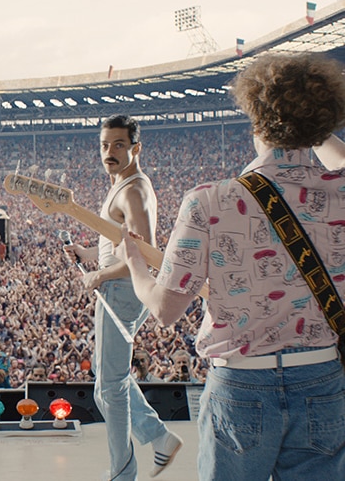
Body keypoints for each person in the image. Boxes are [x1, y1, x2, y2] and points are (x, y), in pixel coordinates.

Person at [118, 53, 345, 480]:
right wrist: (315, 129)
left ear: (256, 121)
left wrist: (135, 265)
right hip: (322, 379)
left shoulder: (209, 200)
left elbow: (165, 311)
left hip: (242, 384)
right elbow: (336, 158)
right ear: (320, 124)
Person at [63, 114, 181, 480]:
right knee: (106, 376)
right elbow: (122, 244)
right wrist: (89, 255)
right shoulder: (123, 184)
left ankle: (123, 472)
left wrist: (100, 274)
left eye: (118, 144)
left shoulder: (132, 189)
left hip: (122, 290)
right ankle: (158, 438)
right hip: (120, 287)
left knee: (110, 389)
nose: (109, 152)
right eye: (104, 145)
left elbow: (145, 254)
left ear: (135, 147)